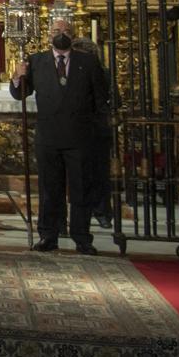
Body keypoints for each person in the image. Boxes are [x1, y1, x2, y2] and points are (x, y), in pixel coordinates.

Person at [11, 18, 110, 254]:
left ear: (73, 36)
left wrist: (96, 131)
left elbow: (100, 98)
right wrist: (17, 76)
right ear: (48, 36)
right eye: (57, 31)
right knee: (50, 189)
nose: (61, 34)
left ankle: (82, 237)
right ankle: (48, 235)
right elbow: (20, 94)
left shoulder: (87, 61)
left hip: (79, 136)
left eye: (66, 30)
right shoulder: (37, 61)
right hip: (49, 136)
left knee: (80, 189)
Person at [66, 35, 113, 230]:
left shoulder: (104, 74)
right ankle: (78, 219)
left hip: (96, 130)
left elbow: (109, 100)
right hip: (73, 130)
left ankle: (101, 212)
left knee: (99, 174)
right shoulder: (67, 73)